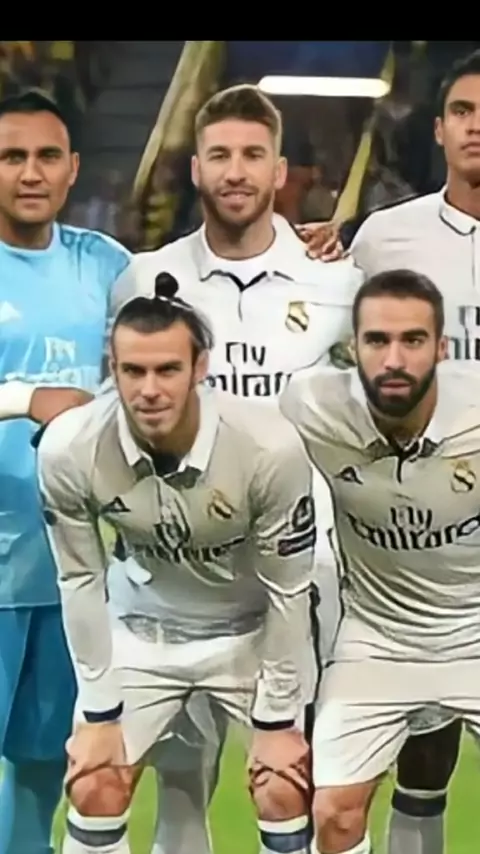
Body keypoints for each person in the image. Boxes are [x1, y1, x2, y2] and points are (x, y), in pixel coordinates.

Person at [111, 83, 362, 854]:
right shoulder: (145, 278)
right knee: (183, 792)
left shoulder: (337, 281)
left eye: (253, 154)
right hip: (182, 579)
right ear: (195, 168)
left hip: (299, 579)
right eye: (219, 154)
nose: (236, 170)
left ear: (279, 170)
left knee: (301, 784)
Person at [37, 281, 317, 854]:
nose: (149, 390)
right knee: (93, 782)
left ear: (200, 367)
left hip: (250, 635)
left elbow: (289, 591)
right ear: (112, 369)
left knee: (283, 789)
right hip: (144, 634)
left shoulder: (267, 447)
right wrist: (98, 714)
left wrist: (277, 723)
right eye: (133, 371)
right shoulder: (70, 447)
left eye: (167, 370)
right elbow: (79, 579)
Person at [299, 47, 480, 854]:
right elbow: (331, 345)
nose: (477, 127)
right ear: (438, 129)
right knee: (412, 733)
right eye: (464, 112)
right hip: (411, 522)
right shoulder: (386, 236)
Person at [280, 268, 480, 854]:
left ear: (441, 348)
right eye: (377, 340)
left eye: (413, 340)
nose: (394, 359)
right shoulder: (310, 408)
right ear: (353, 348)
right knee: (334, 813)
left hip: (475, 631)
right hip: (377, 638)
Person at [0, 88, 133, 854]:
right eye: (12, 156)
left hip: (72, 572)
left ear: (73, 167)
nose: (30, 173)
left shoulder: (105, 264)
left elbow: (186, 316)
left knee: (45, 765)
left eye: (47, 156)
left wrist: (301, 248)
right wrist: (27, 399)